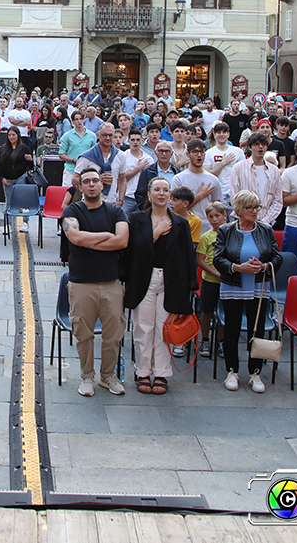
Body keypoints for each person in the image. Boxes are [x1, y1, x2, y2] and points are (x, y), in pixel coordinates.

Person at [123, 177, 199, 395]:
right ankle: (143, 371)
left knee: (164, 329)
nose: (161, 193)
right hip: (143, 278)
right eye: (157, 189)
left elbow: (187, 256)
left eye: (166, 190)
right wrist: (155, 234)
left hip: (170, 280)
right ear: (149, 194)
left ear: (170, 196)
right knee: (143, 327)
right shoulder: (137, 219)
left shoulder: (181, 223)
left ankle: (162, 373)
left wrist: (189, 285)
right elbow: (133, 251)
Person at [62, 169, 129, 396]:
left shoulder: (115, 212)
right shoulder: (72, 210)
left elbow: (122, 241)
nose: (91, 185)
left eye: (95, 181)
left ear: (102, 185)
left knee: (113, 334)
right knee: (84, 334)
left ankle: (108, 376)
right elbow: (75, 237)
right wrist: (106, 236)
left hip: (111, 282)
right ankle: (87, 376)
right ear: (80, 187)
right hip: (81, 283)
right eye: (86, 182)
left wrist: (90, 241)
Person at [212, 189, 282, 393]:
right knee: (232, 329)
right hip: (233, 286)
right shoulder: (226, 230)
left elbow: (277, 257)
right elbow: (218, 259)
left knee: (257, 330)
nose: (254, 211)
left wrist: (264, 266)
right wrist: (238, 268)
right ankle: (232, 370)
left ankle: (255, 372)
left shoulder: (266, 229)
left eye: (256, 207)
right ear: (238, 211)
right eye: (249, 208)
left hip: (259, 287)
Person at [191, 196, 229, 359]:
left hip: (228, 281)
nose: (214, 220)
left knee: (224, 312)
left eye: (217, 216)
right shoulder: (207, 236)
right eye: (211, 217)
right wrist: (216, 273)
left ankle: (221, 340)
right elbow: (200, 260)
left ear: (224, 216)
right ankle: (205, 339)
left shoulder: (231, 232)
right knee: (207, 311)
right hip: (210, 280)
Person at [228, 132, 283, 227]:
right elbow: (235, 196)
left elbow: (277, 200)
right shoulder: (238, 168)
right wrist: (247, 217)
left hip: (266, 223)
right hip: (244, 222)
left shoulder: (275, 171)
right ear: (249, 147)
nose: (260, 147)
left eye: (263, 145)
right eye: (257, 144)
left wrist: (266, 220)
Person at [0, 127, 34, 195]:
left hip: (21, 177)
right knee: (9, 200)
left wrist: (30, 160)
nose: (11, 137)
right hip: (7, 178)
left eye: (13, 135)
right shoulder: (3, 148)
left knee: (20, 199)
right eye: (9, 135)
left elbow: (31, 167)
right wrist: (2, 177)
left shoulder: (24, 148)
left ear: (18, 135)